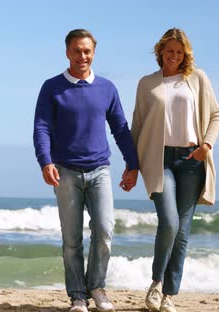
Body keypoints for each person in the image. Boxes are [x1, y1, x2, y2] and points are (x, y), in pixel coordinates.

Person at [33, 29, 139, 312]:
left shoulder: (107, 88)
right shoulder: (52, 87)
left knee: (104, 230)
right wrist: (46, 161)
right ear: (67, 52)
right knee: (72, 240)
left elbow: (120, 128)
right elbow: (41, 127)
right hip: (65, 171)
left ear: (93, 53)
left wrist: (133, 163)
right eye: (77, 51)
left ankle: (97, 287)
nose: (82, 56)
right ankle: (78, 296)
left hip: (99, 170)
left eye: (87, 51)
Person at [131, 28, 219, 312]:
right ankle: (156, 284)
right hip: (159, 159)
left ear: (185, 54)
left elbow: (216, 114)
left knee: (182, 230)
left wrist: (206, 145)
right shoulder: (147, 83)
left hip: (192, 159)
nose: (174, 56)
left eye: (179, 52)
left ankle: (170, 295)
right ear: (160, 52)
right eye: (169, 51)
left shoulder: (197, 78)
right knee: (169, 223)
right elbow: (137, 123)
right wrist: (132, 166)